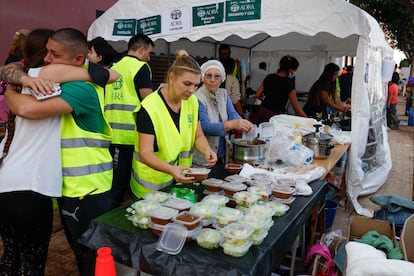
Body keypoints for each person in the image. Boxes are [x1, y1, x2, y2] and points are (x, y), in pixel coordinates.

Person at [0, 28, 117, 275]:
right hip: (59, 187)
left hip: (85, 189)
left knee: (89, 256)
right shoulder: (45, 78)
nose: (48, 59)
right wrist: (21, 80)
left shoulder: (77, 87)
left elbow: (26, 105)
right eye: (46, 52)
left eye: (54, 53)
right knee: (76, 253)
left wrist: (13, 87)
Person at [130, 50, 217, 198]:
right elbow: (145, 153)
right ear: (171, 78)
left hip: (178, 181)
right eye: (187, 84)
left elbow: (198, 135)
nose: (192, 90)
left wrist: (206, 149)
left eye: (196, 85)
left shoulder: (192, 102)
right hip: (150, 187)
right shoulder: (150, 107)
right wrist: (171, 169)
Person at [105, 33, 154, 209]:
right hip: (129, 132)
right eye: (149, 53)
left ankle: (106, 208)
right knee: (122, 179)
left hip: (108, 131)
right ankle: (111, 214)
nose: (149, 58)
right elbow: (148, 101)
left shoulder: (114, 67)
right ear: (141, 50)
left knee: (109, 176)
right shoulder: (141, 67)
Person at [194, 60, 254, 165]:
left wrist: (242, 123)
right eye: (208, 76)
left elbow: (232, 114)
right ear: (203, 78)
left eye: (217, 76)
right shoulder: (197, 98)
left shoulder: (223, 94)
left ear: (222, 79)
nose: (212, 80)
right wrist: (231, 125)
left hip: (222, 153)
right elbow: (205, 127)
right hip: (204, 157)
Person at [251, 55, 307, 124]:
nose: (294, 73)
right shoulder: (289, 83)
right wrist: (307, 119)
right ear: (290, 70)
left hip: (262, 111)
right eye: (294, 71)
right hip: (275, 117)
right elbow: (296, 107)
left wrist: (266, 99)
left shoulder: (269, 77)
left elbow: (257, 95)